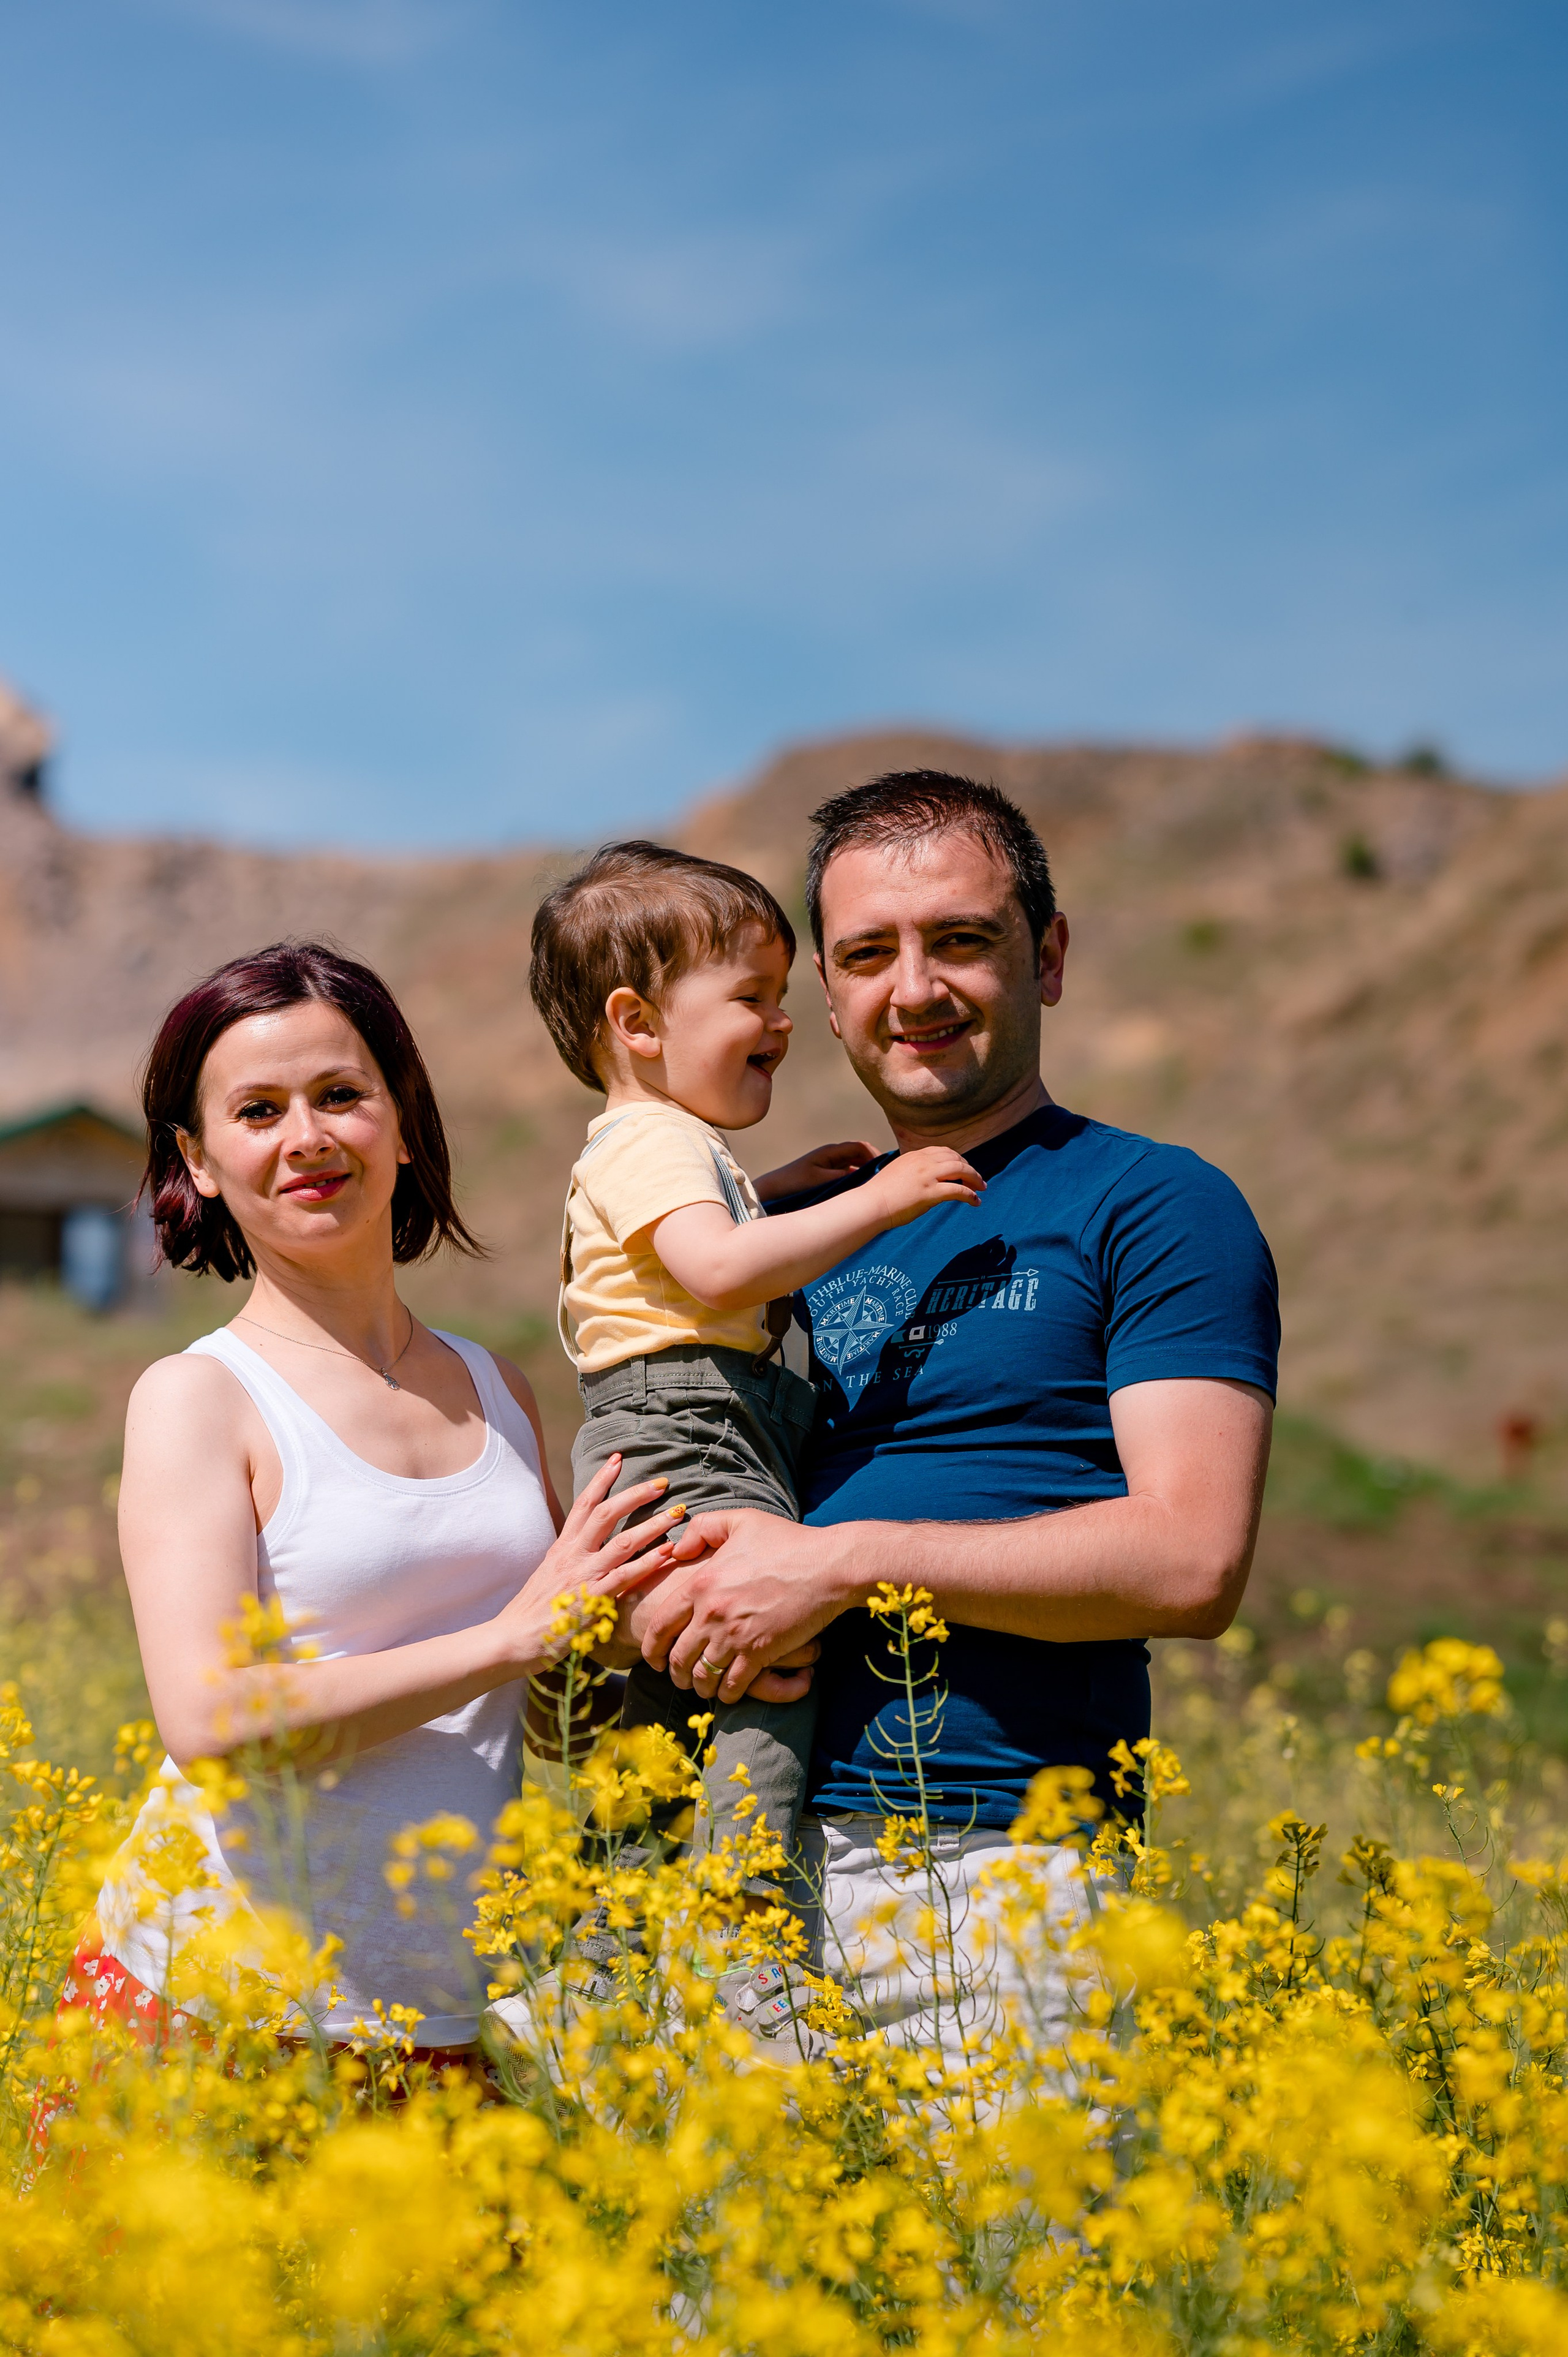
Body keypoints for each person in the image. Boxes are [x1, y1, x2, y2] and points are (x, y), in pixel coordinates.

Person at [622, 772, 1280, 2055]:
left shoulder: (1150, 1203)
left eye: (960, 941)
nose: (911, 988)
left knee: (1009, 2265)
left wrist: (843, 1564)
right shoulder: (778, 1237)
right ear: (826, 993)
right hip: (742, 1874)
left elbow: (1191, 1559)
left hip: (998, 1875)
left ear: (1048, 956)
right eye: (868, 953)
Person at [77, 941, 695, 2062]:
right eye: (257, 1110)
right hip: (218, 2014)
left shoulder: (500, 1389)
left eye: (341, 1096)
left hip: (438, 2018)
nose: (307, 1137)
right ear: (200, 1160)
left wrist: (667, 1644)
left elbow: (541, 1707)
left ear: (403, 1123)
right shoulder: (198, 1399)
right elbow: (212, 1722)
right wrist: (516, 1637)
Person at [527, 840, 979, 1909]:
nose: (782, 1023)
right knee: (765, 1660)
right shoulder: (654, 1142)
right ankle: (746, 1919)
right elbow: (718, 1268)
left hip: (682, 1421)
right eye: (752, 998)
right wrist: (880, 1201)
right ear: (638, 1024)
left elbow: (687, 1251)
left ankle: (610, 1937)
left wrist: (773, 1191)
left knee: (682, 1693)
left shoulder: (663, 1145)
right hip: (694, 1423)